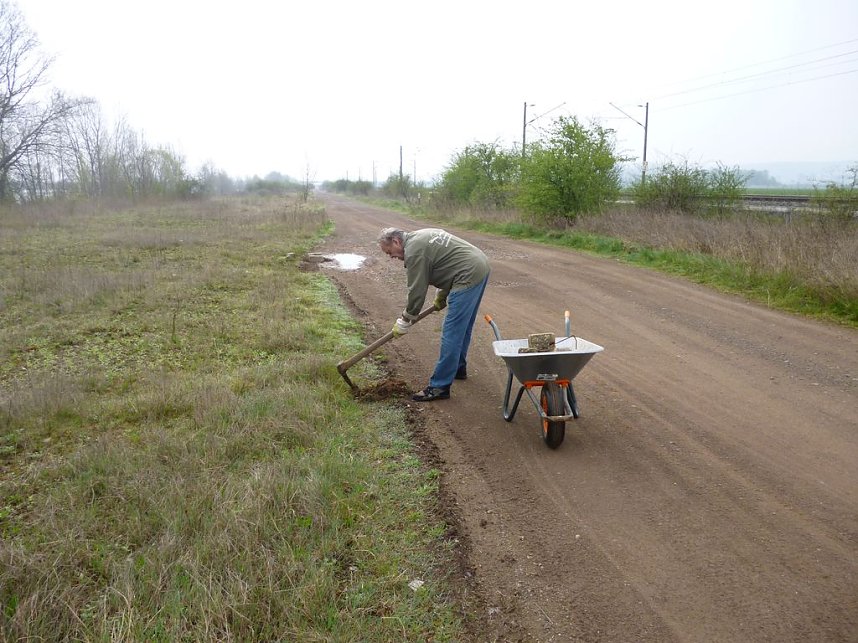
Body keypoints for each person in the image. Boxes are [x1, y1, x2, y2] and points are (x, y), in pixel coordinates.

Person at [378, 227, 490, 402]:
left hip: (468, 273)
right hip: (478, 264)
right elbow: (448, 262)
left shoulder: (414, 252)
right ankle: (457, 367)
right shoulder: (419, 236)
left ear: (396, 241)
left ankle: (439, 386)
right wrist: (442, 295)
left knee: (451, 331)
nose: (391, 257)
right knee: (463, 326)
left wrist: (406, 319)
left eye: (389, 252)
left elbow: (417, 290)